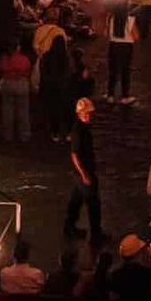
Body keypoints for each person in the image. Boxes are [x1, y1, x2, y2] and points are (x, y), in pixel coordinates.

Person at [64, 98, 105, 245]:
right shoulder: (78, 131)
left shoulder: (83, 128)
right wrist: (84, 175)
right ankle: (96, 234)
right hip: (84, 173)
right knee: (93, 202)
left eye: (89, 113)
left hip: (82, 172)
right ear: (79, 113)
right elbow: (74, 155)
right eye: (86, 113)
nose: (88, 116)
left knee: (76, 199)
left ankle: (69, 227)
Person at [0, 39, 32, 144]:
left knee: (7, 110)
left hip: (8, 84)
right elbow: (28, 70)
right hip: (21, 84)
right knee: (23, 111)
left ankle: (8, 135)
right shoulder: (24, 59)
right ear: (18, 48)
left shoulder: (4, 59)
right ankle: (24, 135)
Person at [104, 1, 139, 105]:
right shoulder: (129, 20)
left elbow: (105, 33)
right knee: (125, 70)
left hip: (113, 45)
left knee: (113, 70)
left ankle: (110, 95)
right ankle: (125, 96)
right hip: (126, 47)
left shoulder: (110, 18)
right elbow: (136, 36)